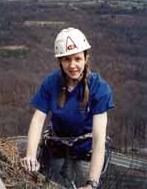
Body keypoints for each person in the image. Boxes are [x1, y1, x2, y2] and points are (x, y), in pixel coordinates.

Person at [21, 27, 114, 189]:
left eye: (77, 59)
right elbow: (38, 120)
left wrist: (91, 183)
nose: (72, 65)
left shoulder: (100, 88)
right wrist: (30, 155)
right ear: (60, 61)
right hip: (56, 150)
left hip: (86, 154)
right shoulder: (51, 83)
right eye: (67, 60)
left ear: (86, 58)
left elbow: (99, 138)